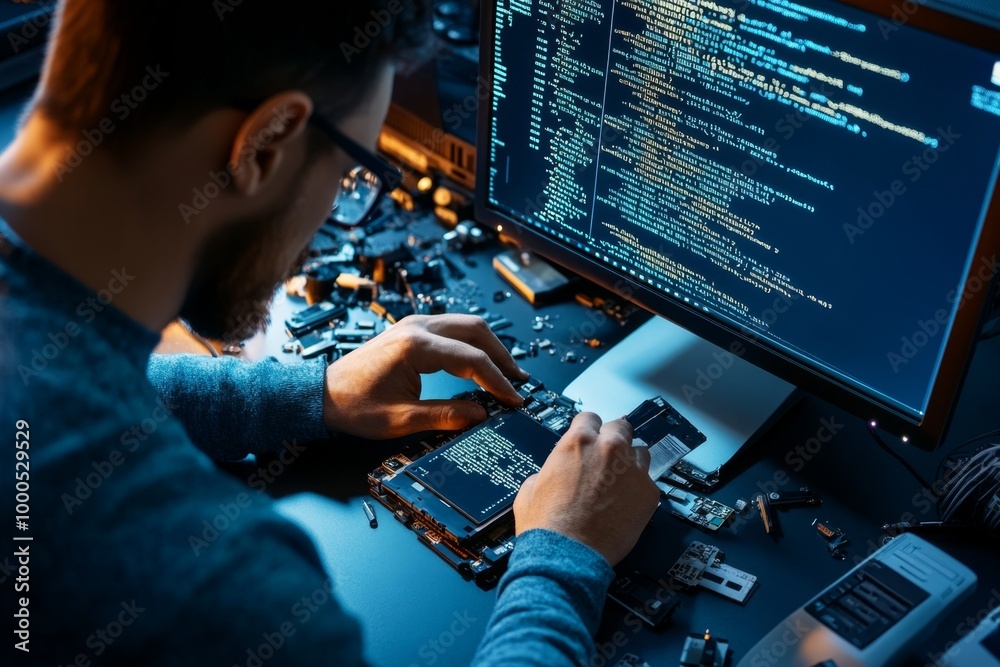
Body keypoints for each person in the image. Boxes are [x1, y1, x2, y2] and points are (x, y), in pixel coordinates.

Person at [0, 1, 660, 664]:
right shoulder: (216, 597)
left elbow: (63, 400)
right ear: (265, 143)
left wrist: (303, 394)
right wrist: (561, 560)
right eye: (353, 173)